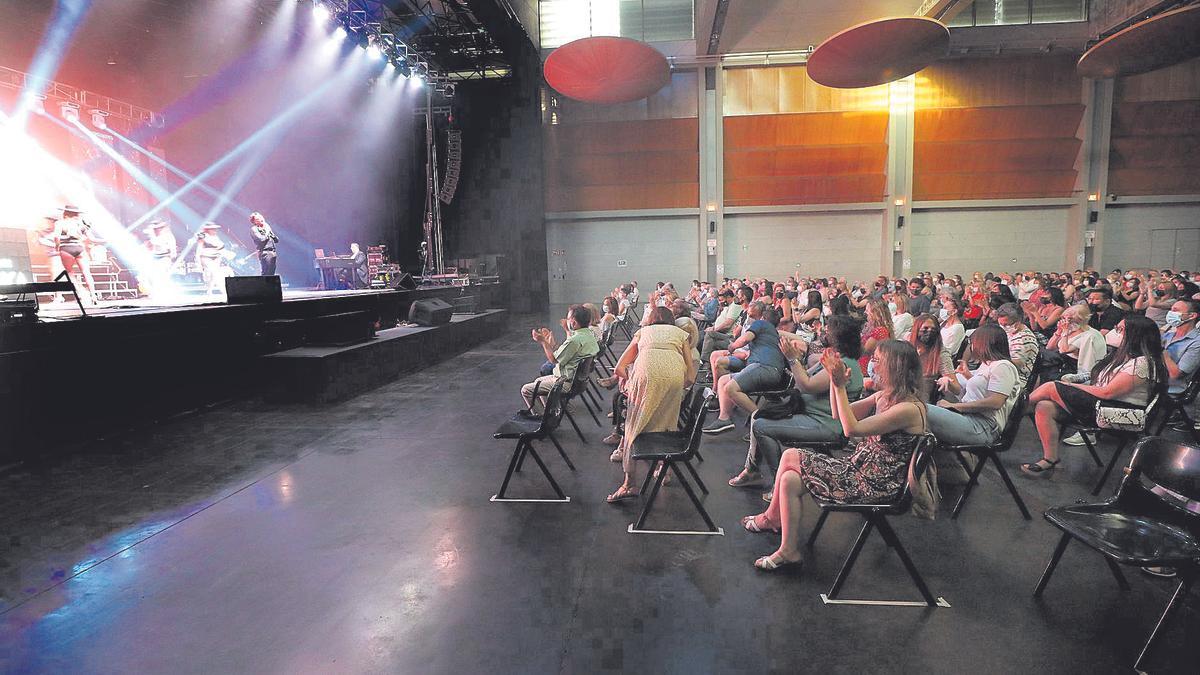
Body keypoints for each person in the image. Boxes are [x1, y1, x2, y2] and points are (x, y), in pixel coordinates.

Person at [740, 341, 928, 572]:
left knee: (790, 455)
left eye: (878, 360)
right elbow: (838, 414)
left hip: (875, 483)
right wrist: (833, 380)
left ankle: (771, 518)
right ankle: (788, 550)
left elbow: (851, 430)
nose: (872, 364)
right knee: (789, 480)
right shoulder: (885, 396)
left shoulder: (909, 409)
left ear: (895, 366)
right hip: (861, 469)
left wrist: (839, 385)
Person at [729, 315, 864, 489]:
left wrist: (792, 359)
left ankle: (778, 485)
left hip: (825, 425)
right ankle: (751, 470)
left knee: (761, 426)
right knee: (757, 415)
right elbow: (805, 376)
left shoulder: (843, 366)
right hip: (810, 415)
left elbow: (806, 385)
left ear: (838, 337)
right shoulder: (836, 359)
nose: (823, 331)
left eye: (828, 329)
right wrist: (797, 359)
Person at [1021, 315, 1167, 475]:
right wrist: (1073, 381)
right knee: (1044, 406)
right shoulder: (1119, 355)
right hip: (1101, 403)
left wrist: (1068, 386)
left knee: (1050, 387)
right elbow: (1095, 377)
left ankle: (1009, 414)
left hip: (1118, 411)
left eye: (1120, 329)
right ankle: (1050, 459)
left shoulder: (1144, 363)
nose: (1115, 331)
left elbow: (1108, 392)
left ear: (1135, 335)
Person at [606, 306, 696, 503]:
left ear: (651, 320)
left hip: (645, 376)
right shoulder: (680, 334)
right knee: (667, 421)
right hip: (675, 377)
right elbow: (690, 375)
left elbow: (619, 367)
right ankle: (664, 469)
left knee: (633, 427)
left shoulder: (643, 332)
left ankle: (629, 483)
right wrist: (677, 385)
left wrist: (632, 382)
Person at [927, 323, 1021, 446]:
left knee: (918, 410)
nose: (971, 347)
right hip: (973, 419)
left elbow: (995, 402)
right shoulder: (987, 365)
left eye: (973, 342)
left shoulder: (1002, 366)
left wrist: (954, 406)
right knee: (916, 411)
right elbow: (975, 396)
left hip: (983, 426)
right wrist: (961, 380)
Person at [704, 303, 788, 434]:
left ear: (763, 318)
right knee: (723, 381)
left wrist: (732, 347)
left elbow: (744, 340)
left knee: (730, 388)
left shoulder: (761, 324)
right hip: (765, 368)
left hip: (764, 367)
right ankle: (724, 419)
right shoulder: (772, 333)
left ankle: (763, 422)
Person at [522, 305, 599, 411]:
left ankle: (539, 417)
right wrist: (551, 345)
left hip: (565, 382)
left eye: (568, 319)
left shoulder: (574, 340)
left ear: (574, 322)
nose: (567, 321)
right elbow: (565, 354)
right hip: (578, 381)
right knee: (538, 381)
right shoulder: (589, 335)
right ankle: (550, 412)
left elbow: (553, 360)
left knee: (526, 390)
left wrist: (543, 342)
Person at [53, 205, 100, 304]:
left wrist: (57, 247)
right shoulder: (81, 223)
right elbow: (92, 239)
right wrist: (106, 241)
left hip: (66, 249)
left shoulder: (60, 223)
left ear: (65, 212)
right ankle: (93, 296)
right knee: (86, 272)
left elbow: (56, 237)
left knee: (70, 273)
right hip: (80, 248)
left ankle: (80, 294)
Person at [909, 314, 954, 400]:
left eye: (933, 329)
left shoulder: (941, 354)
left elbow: (957, 389)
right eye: (925, 328)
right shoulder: (907, 344)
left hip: (921, 399)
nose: (929, 331)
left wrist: (947, 380)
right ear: (917, 329)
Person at [995, 303, 1041, 388]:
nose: (1002, 327)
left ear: (1017, 323)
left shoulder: (1023, 340)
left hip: (1016, 379)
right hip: (1003, 372)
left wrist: (993, 356)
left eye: (1005, 324)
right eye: (1000, 324)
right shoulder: (1011, 331)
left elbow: (1012, 366)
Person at [195, 222, 231, 295]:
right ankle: (223, 290)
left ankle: (209, 290)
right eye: (213, 229)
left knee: (213, 275)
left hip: (216, 257)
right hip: (206, 256)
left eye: (215, 229)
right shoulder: (202, 236)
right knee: (215, 273)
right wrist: (197, 258)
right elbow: (199, 247)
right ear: (208, 229)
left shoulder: (216, 237)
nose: (215, 230)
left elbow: (220, 247)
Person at [248, 212, 279, 277]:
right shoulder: (254, 229)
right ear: (254, 222)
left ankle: (270, 286)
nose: (261, 219)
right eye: (258, 219)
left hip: (272, 252)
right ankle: (264, 286)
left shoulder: (266, 228)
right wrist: (267, 231)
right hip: (265, 252)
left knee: (271, 273)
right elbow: (261, 239)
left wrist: (272, 235)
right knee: (266, 273)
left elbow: (276, 240)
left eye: (261, 217)